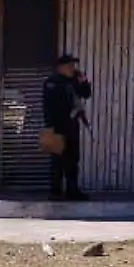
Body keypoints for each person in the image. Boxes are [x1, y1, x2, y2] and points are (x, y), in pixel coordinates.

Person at [42, 54, 93, 200]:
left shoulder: (74, 81)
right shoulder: (52, 82)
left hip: (72, 125)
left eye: (74, 65)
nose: (73, 68)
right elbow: (52, 106)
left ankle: (72, 190)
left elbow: (86, 94)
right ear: (61, 67)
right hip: (57, 126)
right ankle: (55, 191)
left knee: (72, 159)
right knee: (57, 159)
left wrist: (83, 81)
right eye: (70, 65)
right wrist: (51, 126)